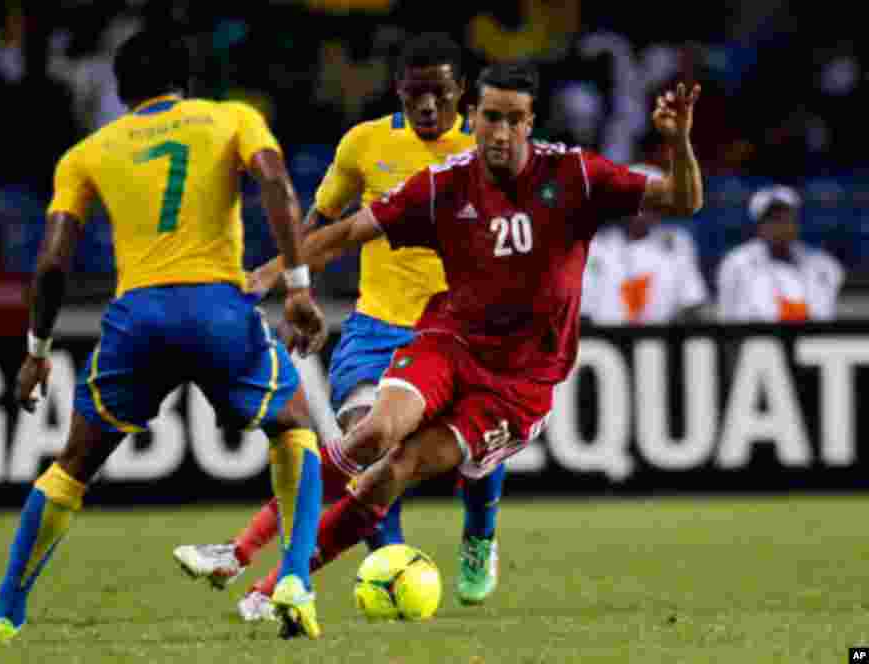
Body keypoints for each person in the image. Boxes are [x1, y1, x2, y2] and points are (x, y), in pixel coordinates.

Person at [229, 61, 702, 590]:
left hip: (519, 384)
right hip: (448, 344)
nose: (501, 132)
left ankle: (466, 540)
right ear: (472, 117)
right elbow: (342, 234)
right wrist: (280, 277)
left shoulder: (575, 175)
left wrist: (679, 142)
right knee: (375, 435)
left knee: (401, 466)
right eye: (491, 117)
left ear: (530, 122)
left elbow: (682, 200)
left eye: (514, 119)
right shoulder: (443, 185)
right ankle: (261, 569)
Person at [0, 29, 328, 644]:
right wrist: (296, 285)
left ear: (120, 89)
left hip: (137, 320)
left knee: (73, 464)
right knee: (295, 425)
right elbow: (276, 182)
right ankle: (295, 576)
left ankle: (5, 612)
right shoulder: (232, 118)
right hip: (218, 304)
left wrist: (37, 353)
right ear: (185, 80)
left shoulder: (89, 151)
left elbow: (53, 261)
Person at [175, 32, 509, 618]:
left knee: (482, 451)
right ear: (399, 91)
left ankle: (479, 537)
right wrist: (289, 286)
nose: (428, 106)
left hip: (464, 332)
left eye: (440, 93)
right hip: (377, 328)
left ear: (461, 91)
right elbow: (323, 223)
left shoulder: (488, 148)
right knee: (369, 453)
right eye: (415, 94)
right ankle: (393, 564)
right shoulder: (364, 145)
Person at [582, 164, 708, 325]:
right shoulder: (595, 246)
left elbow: (692, 304)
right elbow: (583, 312)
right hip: (605, 342)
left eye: (652, 200)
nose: (643, 208)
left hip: (661, 340)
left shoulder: (677, 243)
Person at [717, 184, 844, 322]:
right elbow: (729, 316)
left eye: (786, 218)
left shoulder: (823, 264)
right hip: (757, 340)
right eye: (772, 219)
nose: (781, 225)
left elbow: (826, 315)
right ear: (759, 224)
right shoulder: (736, 263)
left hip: (811, 340)